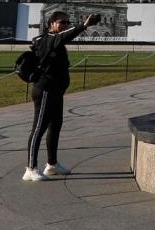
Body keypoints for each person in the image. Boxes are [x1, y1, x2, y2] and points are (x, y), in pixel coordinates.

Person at [24, 10, 100, 181]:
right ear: (51, 24)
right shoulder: (47, 39)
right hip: (44, 90)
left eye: (67, 22)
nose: (65, 25)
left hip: (56, 91)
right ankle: (30, 168)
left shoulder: (55, 41)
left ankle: (52, 165)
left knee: (55, 126)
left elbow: (63, 37)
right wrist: (84, 25)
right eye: (61, 22)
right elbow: (65, 36)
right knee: (38, 128)